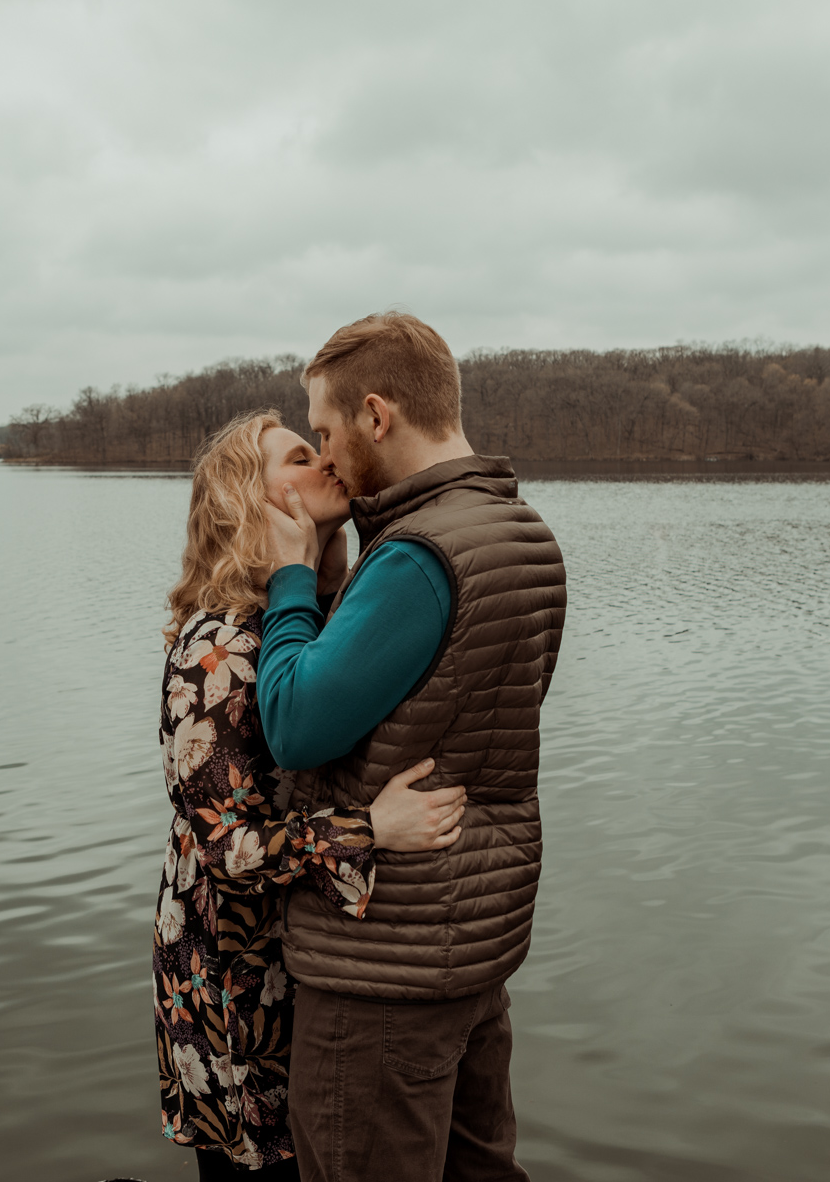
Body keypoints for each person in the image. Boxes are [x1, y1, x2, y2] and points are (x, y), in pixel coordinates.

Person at [255, 312, 567, 1182]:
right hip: (470, 947)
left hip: (380, 972)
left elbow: (294, 723)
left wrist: (290, 572)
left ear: (377, 415)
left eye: (325, 430)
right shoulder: (521, 532)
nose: (324, 457)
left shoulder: (418, 559)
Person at [153, 410, 469, 1181]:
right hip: (231, 979)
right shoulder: (219, 648)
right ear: (248, 502)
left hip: (296, 962)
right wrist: (372, 828)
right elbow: (228, 849)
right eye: (299, 456)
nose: (326, 460)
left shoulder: (308, 624)